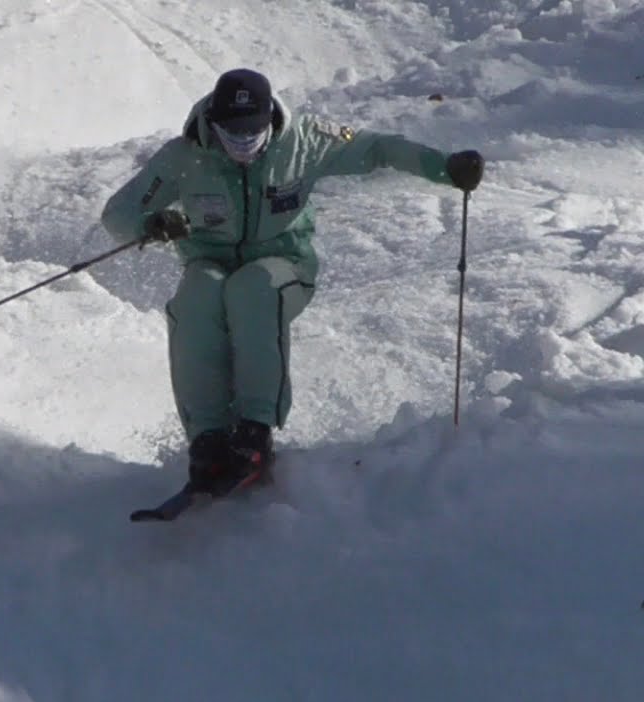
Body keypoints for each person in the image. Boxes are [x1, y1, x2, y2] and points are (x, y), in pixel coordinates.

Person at [100, 68, 484, 497]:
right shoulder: (185, 156)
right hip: (209, 262)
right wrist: (150, 223)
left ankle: (254, 433)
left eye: (253, 130)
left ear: (270, 119)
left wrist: (444, 168)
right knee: (196, 300)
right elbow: (118, 212)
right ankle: (207, 439)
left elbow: (376, 148)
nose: (243, 141)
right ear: (214, 121)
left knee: (253, 289)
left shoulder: (304, 141)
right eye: (232, 130)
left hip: (284, 265)